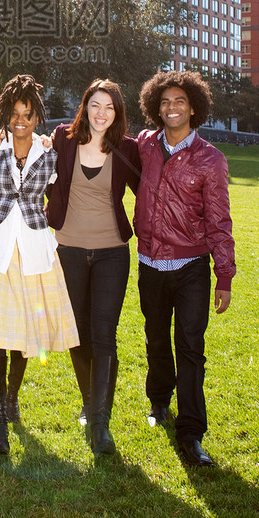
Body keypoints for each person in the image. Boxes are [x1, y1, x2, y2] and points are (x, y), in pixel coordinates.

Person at [0, 74, 78, 455]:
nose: (20, 120)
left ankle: (11, 400)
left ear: (37, 116)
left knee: (23, 330)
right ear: (5, 116)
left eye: (27, 114)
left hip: (32, 249)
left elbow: (59, 201)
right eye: (14, 114)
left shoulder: (50, 153)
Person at [135, 70, 236, 467]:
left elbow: (220, 221)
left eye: (179, 102)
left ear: (193, 107)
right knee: (156, 339)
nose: (171, 108)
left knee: (190, 347)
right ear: (155, 108)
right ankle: (159, 402)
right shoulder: (143, 145)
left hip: (192, 265)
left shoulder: (211, 159)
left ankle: (191, 432)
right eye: (164, 102)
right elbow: (101, 140)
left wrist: (223, 276)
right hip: (149, 264)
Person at [46, 79, 142, 456]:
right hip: (67, 249)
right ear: (84, 106)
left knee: (104, 334)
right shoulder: (63, 139)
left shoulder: (127, 149)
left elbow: (151, 189)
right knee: (77, 332)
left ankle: (100, 422)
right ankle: (89, 400)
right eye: (95, 105)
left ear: (117, 113)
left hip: (111, 253)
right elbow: (33, 157)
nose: (102, 113)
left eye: (110, 108)